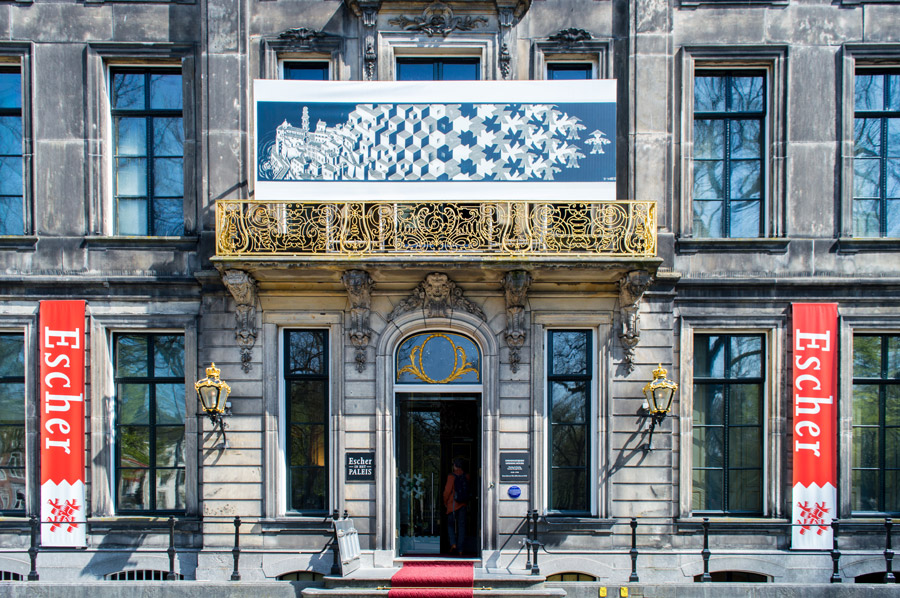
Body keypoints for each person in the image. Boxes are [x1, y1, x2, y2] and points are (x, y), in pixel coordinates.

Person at [443, 457, 469, 556]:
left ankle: (453, 543)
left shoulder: (451, 476)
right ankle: (460, 549)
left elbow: (447, 491)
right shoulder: (467, 476)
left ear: (455, 466)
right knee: (461, 527)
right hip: (463, 505)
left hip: (452, 505)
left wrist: (445, 502)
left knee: (450, 525)